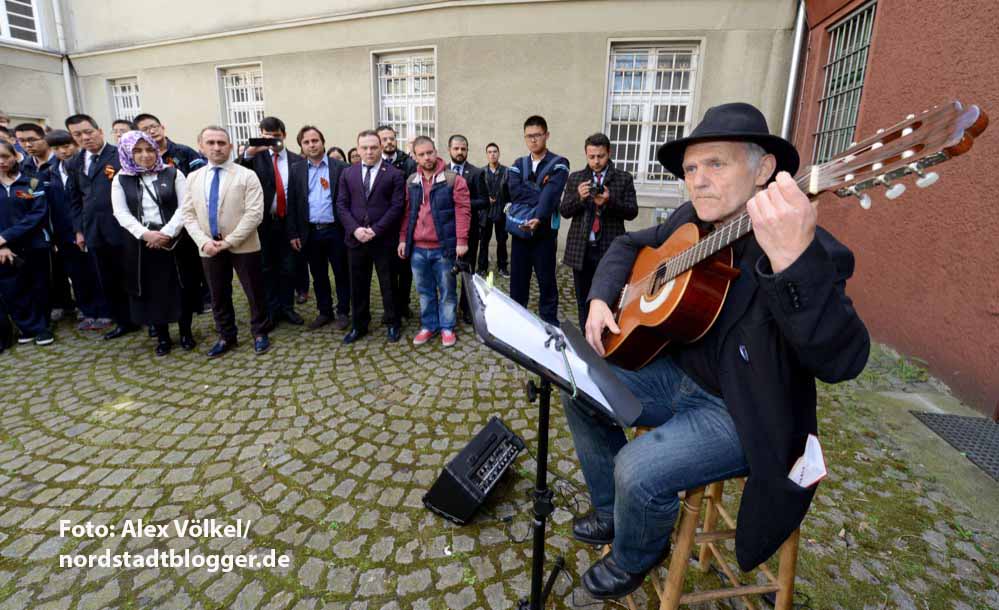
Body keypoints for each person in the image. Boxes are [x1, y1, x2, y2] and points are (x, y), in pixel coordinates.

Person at [563, 103, 871, 599]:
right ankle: (612, 510)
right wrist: (601, 298)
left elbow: (846, 358)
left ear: (764, 169)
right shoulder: (689, 220)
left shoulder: (810, 247)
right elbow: (627, 247)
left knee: (637, 469)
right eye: (690, 168)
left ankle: (636, 554)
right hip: (676, 376)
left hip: (740, 410)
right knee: (579, 385)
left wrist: (793, 260)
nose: (698, 181)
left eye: (716, 164)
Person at [180, 125, 270, 357]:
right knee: (218, 293)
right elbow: (188, 215)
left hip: (244, 245)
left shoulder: (246, 175)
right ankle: (226, 335)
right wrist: (203, 242)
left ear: (230, 146)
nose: (217, 147)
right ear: (201, 146)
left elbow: (255, 213)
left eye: (221, 143)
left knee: (254, 291)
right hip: (208, 247)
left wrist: (229, 241)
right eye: (211, 143)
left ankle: (260, 332)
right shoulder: (193, 178)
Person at [110, 131, 201, 355]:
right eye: (138, 151)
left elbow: (185, 206)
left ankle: (185, 333)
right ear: (127, 153)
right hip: (143, 246)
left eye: (150, 149)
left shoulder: (172, 173)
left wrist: (167, 232)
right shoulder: (121, 179)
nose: (145, 155)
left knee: (181, 287)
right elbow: (120, 213)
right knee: (152, 291)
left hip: (175, 241)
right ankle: (162, 338)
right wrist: (146, 234)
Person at [65, 113, 137, 339]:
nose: (85, 138)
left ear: (100, 131)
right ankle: (123, 321)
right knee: (108, 280)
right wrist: (79, 229)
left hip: (122, 229)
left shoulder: (119, 155)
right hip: (94, 231)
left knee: (132, 276)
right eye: (78, 134)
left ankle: (145, 318)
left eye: (88, 132)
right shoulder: (74, 163)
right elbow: (75, 199)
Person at [396, 136, 471, 347]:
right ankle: (429, 325)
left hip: (443, 248)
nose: (427, 157)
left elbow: (463, 211)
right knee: (424, 291)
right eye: (421, 154)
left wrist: (462, 240)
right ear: (415, 156)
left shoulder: (453, 180)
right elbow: (407, 213)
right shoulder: (411, 181)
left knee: (447, 290)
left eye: (430, 152)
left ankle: (447, 327)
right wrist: (403, 239)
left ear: (436, 151)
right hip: (418, 249)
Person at [560, 132, 638, 328]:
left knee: (609, 299)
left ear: (609, 153)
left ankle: (607, 339)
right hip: (582, 251)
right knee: (583, 301)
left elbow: (631, 212)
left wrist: (610, 201)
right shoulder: (576, 178)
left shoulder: (623, 178)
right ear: (586, 154)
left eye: (600, 156)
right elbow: (565, 211)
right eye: (591, 156)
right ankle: (587, 343)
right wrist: (579, 197)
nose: (596, 161)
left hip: (610, 250)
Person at [335, 129, 405, 344]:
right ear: (358, 149)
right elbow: (341, 205)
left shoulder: (394, 174)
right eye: (364, 148)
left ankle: (393, 323)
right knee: (358, 285)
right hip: (356, 240)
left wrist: (376, 230)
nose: (369, 151)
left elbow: (397, 207)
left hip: (383, 240)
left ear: (381, 148)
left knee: (388, 284)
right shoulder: (348, 173)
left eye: (374, 147)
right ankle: (359, 325)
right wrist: (355, 229)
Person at [239, 116, 305, 327]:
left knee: (288, 267)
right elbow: (237, 173)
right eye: (266, 137)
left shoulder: (297, 161)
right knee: (266, 268)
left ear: (283, 135)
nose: (272, 141)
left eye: (276, 137)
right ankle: (272, 310)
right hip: (263, 223)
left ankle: (287, 308)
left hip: (288, 222)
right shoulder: (254, 158)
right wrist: (247, 154)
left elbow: (299, 196)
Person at [43, 129, 111, 331]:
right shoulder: (48, 171)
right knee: (77, 274)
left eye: (67, 146)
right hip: (63, 233)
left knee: (96, 271)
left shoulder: (85, 166)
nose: (63, 151)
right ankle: (88, 311)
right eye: (56, 148)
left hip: (87, 228)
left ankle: (105, 310)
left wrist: (80, 228)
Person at [287, 125, 351, 331]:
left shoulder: (339, 167)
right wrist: (293, 232)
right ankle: (325, 312)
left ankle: (343, 311)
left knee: (341, 273)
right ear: (301, 147)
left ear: (322, 142)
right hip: (310, 232)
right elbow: (293, 204)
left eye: (315, 140)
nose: (311, 145)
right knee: (318, 275)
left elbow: (347, 201)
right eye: (306, 142)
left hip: (336, 230)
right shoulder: (296, 170)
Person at [507, 115, 569, 326]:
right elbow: (514, 191)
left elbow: (553, 192)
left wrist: (539, 216)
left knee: (546, 280)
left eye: (537, 135)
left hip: (543, 234)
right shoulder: (518, 163)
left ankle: (549, 323)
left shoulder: (560, 163)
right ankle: (517, 322)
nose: (533, 140)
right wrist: (542, 195)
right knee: (518, 281)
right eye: (529, 136)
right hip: (520, 232)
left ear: (546, 135)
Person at [0, 140, 53, 346]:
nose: (2, 161)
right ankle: (27, 326)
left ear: (15, 156)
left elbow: (37, 213)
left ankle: (43, 327)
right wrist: (2, 245)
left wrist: (7, 236)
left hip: (34, 244)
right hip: (4, 250)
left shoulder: (31, 182)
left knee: (39, 285)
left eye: (5, 156)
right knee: (13, 288)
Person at [377, 125, 418, 323]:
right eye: (384, 139)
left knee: (405, 269)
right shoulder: (374, 164)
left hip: (405, 224)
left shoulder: (408, 163)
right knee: (387, 271)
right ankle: (390, 307)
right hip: (383, 227)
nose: (388, 142)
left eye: (391, 138)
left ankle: (404, 304)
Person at [447, 134, 488, 324]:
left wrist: (462, 203)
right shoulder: (442, 171)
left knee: (467, 272)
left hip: (469, 231)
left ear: (467, 150)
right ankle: (447, 307)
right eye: (456, 148)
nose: (459, 152)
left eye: (463, 149)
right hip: (446, 231)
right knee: (446, 271)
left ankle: (467, 308)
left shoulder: (476, 172)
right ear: (449, 150)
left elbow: (484, 201)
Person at [133, 113, 206, 177]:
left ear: (162, 128)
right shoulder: (140, 158)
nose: (152, 131)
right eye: (145, 129)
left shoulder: (185, 151)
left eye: (154, 127)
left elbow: (202, 175)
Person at [477, 142, 509, 277]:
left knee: (502, 241)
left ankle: (502, 267)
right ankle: (482, 268)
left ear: (499, 153)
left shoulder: (506, 171)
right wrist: (486, 199)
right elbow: (478, 192)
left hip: (501, 211)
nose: (492, 154)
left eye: (495, 151)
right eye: (489, 152)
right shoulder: (481, 172)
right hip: (486, 212)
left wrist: (507, 205)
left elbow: (509, 191)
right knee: (484, 242)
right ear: (486, 155)